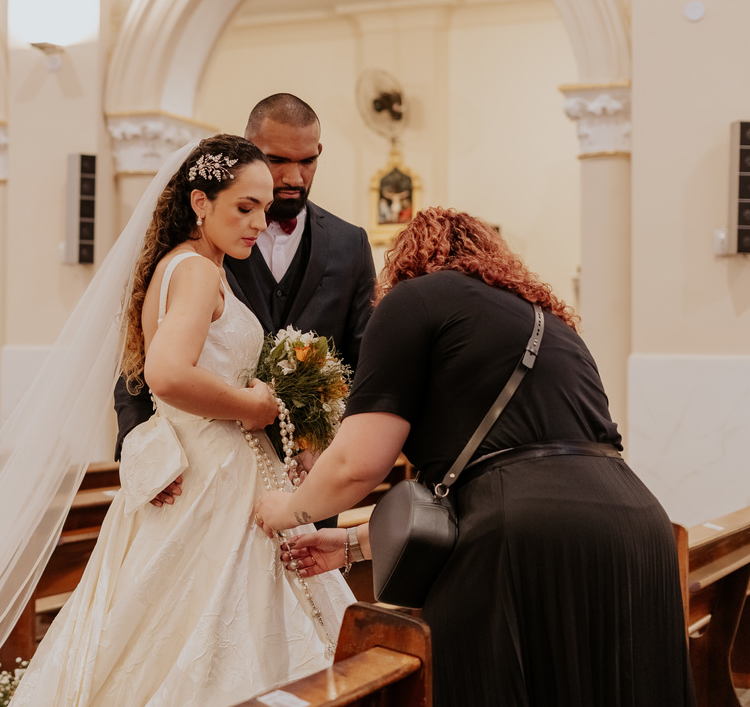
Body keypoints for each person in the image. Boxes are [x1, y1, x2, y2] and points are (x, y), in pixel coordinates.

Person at [0, 136, 352, 707]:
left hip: (207, 468)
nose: (258, 223)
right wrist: (256, 407)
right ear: (200, 202)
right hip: (212, 478)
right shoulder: (196, 271)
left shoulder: (182, 266)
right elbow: (166, 375)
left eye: (264, 209)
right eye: (245, 208)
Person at [254, 207, 695, 707]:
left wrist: (287, 510)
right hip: (638, 529)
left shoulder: (412, 301)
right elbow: (504, 473)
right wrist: (355, 544)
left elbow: (359, 463)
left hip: (526, 535)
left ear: (408, 261)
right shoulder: (548, 319)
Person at [115, 94, 376, 529]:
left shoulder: (351, 244)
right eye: (278, 160)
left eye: (307, 161)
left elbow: (365, 366)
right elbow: (141, 363)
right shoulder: (200, 259)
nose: (293, 176)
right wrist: (139, 450)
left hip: (307, 482)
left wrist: (328, 449)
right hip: (198, 475)